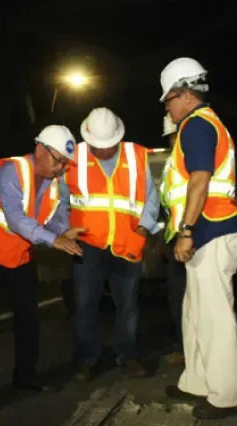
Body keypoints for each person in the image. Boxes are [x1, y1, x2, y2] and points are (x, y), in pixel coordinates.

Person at [158, 57, 237, 419]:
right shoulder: (203, 125)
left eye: (168, 100)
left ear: (183, 94)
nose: (167, 108)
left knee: (213, 314)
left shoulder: (196, 126)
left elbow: (199, 181)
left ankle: (230, 396)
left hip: (211, 229)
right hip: (210, 230)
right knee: (195, 312)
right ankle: (198, 382)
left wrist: (185, 231)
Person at [0, 125, 86, 405]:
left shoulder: (57, 181)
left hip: (18, 254)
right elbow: (16, 219)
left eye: (64, 163)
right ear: (40, 150)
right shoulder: (11, 171)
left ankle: (25, 375)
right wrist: (52, 240)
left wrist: (63, 232)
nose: (60, 168)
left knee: (28, 318)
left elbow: (55, 215)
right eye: (57, 160)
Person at [66, 107, 162, 381]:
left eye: (108, 146)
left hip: (127, 242)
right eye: (97, 146)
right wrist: (63, 230)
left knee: (128, 305)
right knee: (85, 305)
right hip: (86, 244)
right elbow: (61, 197)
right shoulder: (75, 156)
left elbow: (151, 196)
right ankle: (86, 359)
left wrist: (144, 227)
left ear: (118, 138)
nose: (102, 151)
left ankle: (128, 355)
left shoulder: (136, 155)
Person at [157, 114, 185, 366]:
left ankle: (194, 351)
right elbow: (170, 208)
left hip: (192, 238)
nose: (173, 140)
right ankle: (186, 347)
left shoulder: (191, 160)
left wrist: (186, 235)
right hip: (178, 238)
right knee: (179, 299)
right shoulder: (172, 164)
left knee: (190, 300)